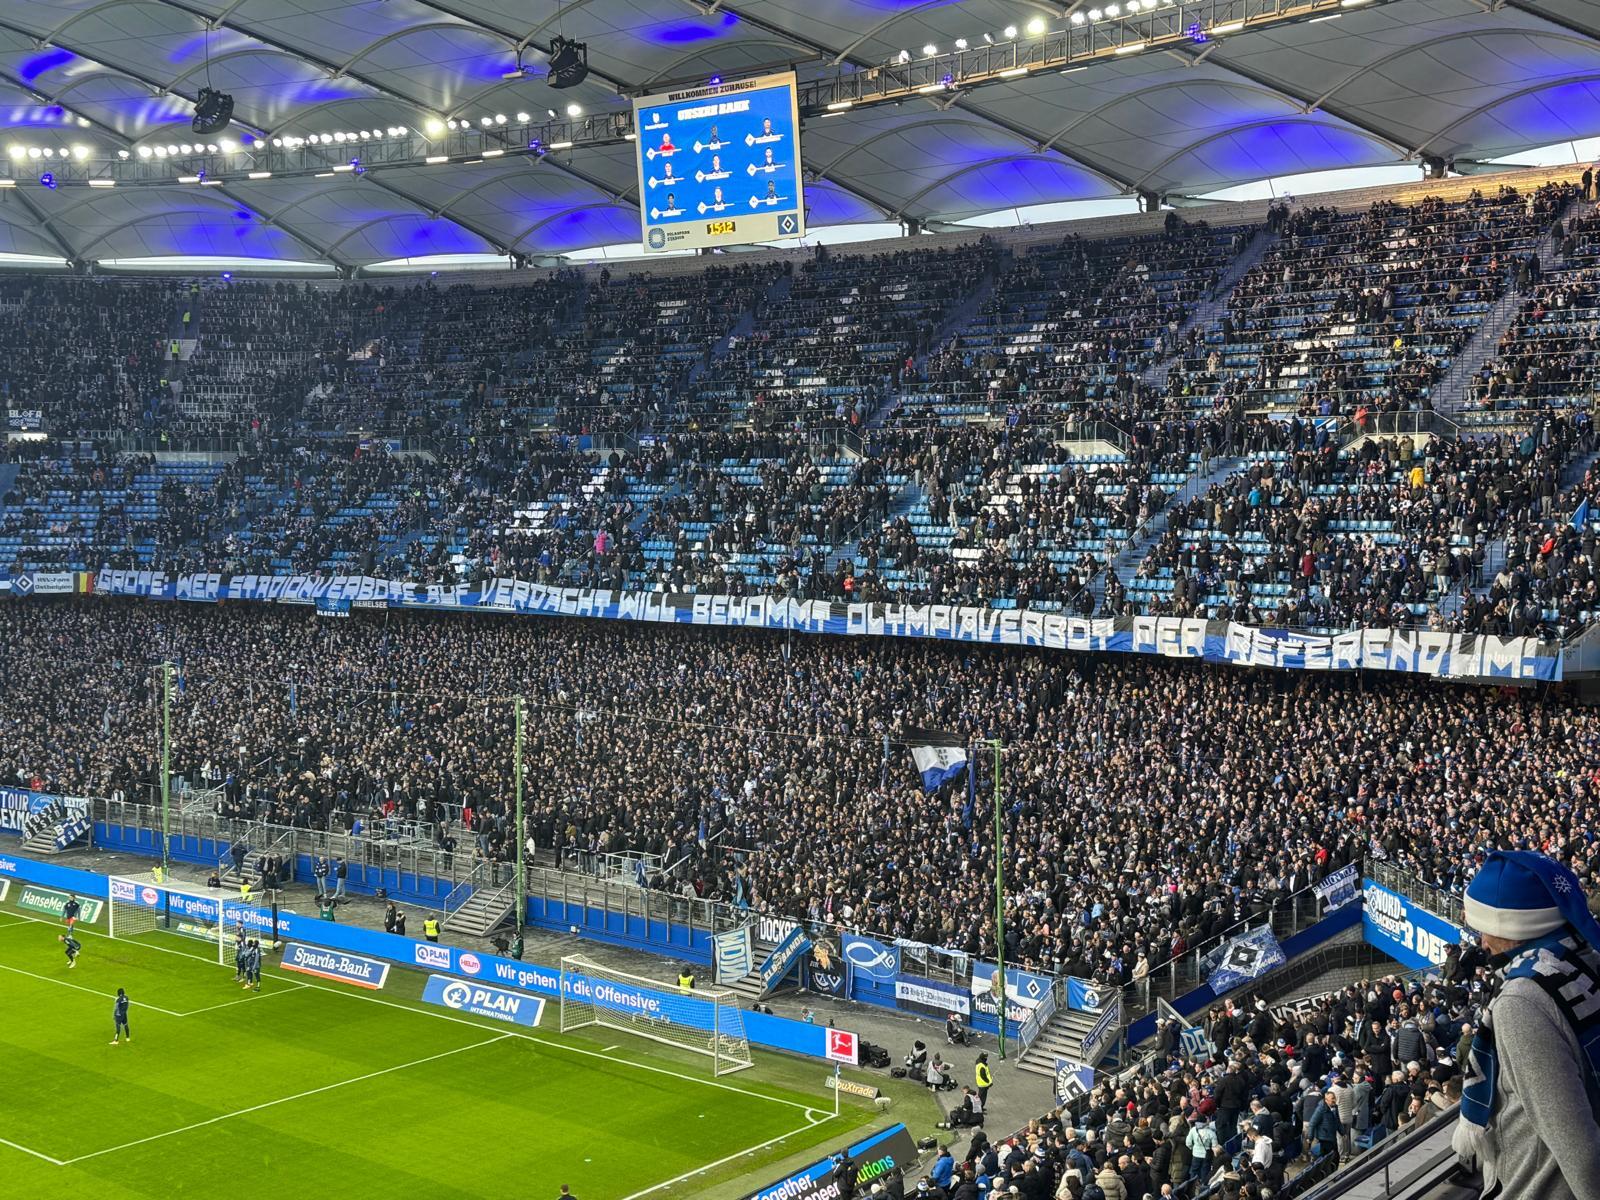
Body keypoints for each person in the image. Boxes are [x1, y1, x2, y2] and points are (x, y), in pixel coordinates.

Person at [1452, 851, 1600, 1200]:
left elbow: (1579, 1150)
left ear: (1518, 926)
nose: (1483, 943)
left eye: (1487, 930)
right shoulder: (1586, 956)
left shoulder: (1522, 1003)